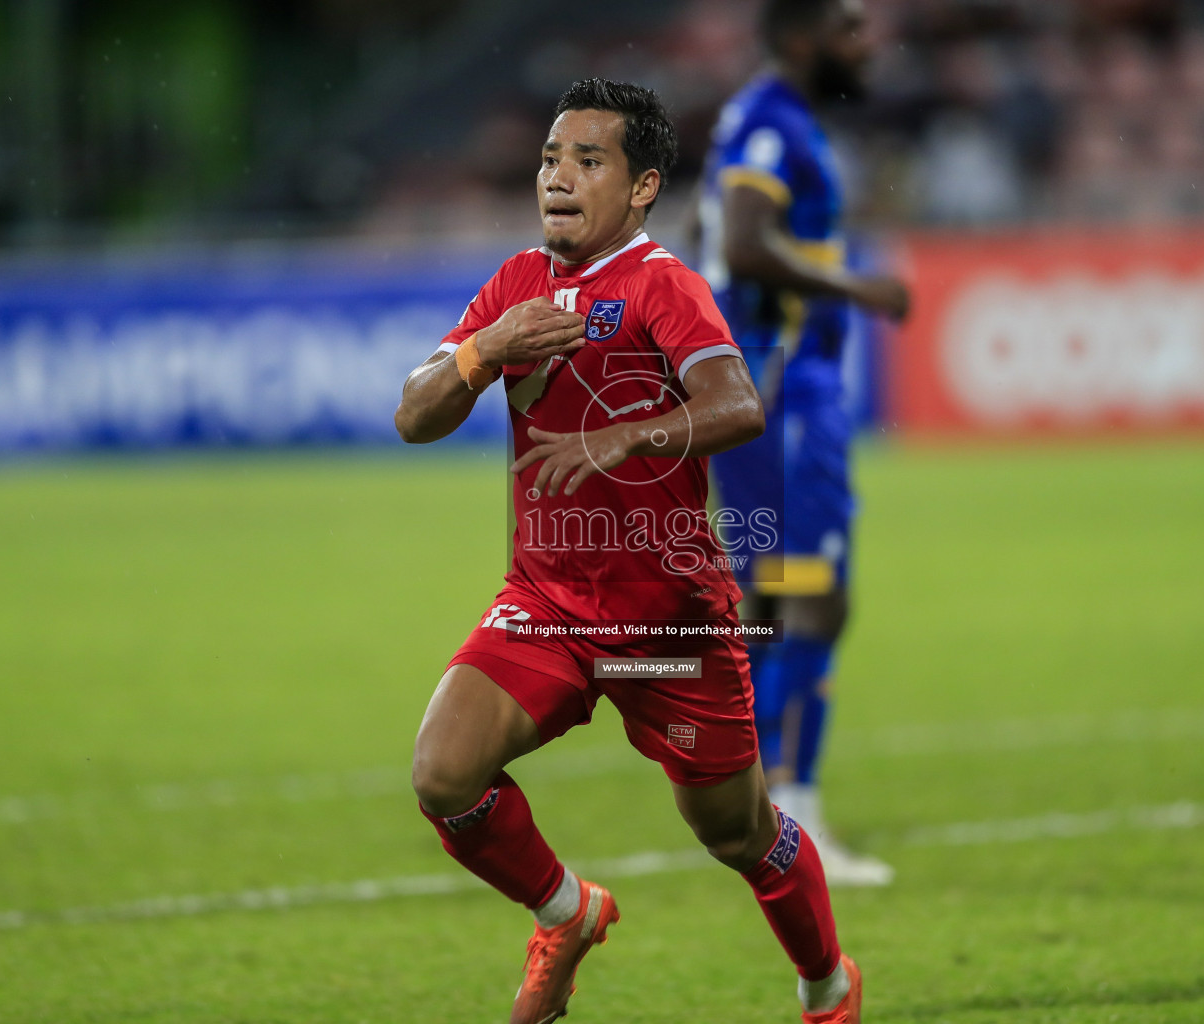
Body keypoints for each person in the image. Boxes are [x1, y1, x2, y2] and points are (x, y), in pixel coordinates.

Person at [394, 78, 863, 1023]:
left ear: (643, 186)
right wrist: (486, 348)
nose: (557, 177)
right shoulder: (518, 286)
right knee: (443, 773)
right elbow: (415, 414)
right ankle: (566, 915)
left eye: (587, 160)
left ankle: (827, 984)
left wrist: (630, 435)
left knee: (737, 832)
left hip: (670, 626)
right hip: (551, 603)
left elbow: (739, 405)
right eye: (548, 159)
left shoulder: (664, 286)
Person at [698, 0, 911, 887]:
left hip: (773, 387)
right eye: (849, 28)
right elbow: (743, 246)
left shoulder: (760, 120)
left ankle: (750, 803)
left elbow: (706, 241)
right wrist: (854, 286)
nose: (867, 44)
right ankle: (791, 816)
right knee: (804, 595)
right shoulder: (773, 126)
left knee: (780, 595)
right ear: (799, 37)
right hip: (778, 392)